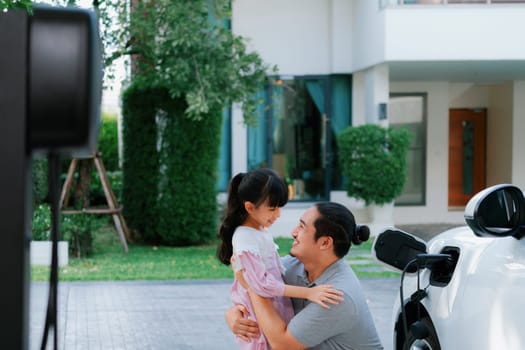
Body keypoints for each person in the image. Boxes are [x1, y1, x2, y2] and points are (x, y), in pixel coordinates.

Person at [226, 202, 384, 350]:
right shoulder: (294, 265)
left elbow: (282, 344)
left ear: (325, 243)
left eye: (302, 227)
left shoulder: (337, 295)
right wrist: (234, 315)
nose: (293, 232)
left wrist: (254, 283)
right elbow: (253, 288)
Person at [217, 169, 343, 350]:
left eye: (280, 207)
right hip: (262, 309)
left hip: (273, 303)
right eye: (272, 208)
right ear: (250, 207)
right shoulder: (245, 238)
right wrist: (309, 293)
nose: (278, 215)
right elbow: (262, 285)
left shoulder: (258, 230)